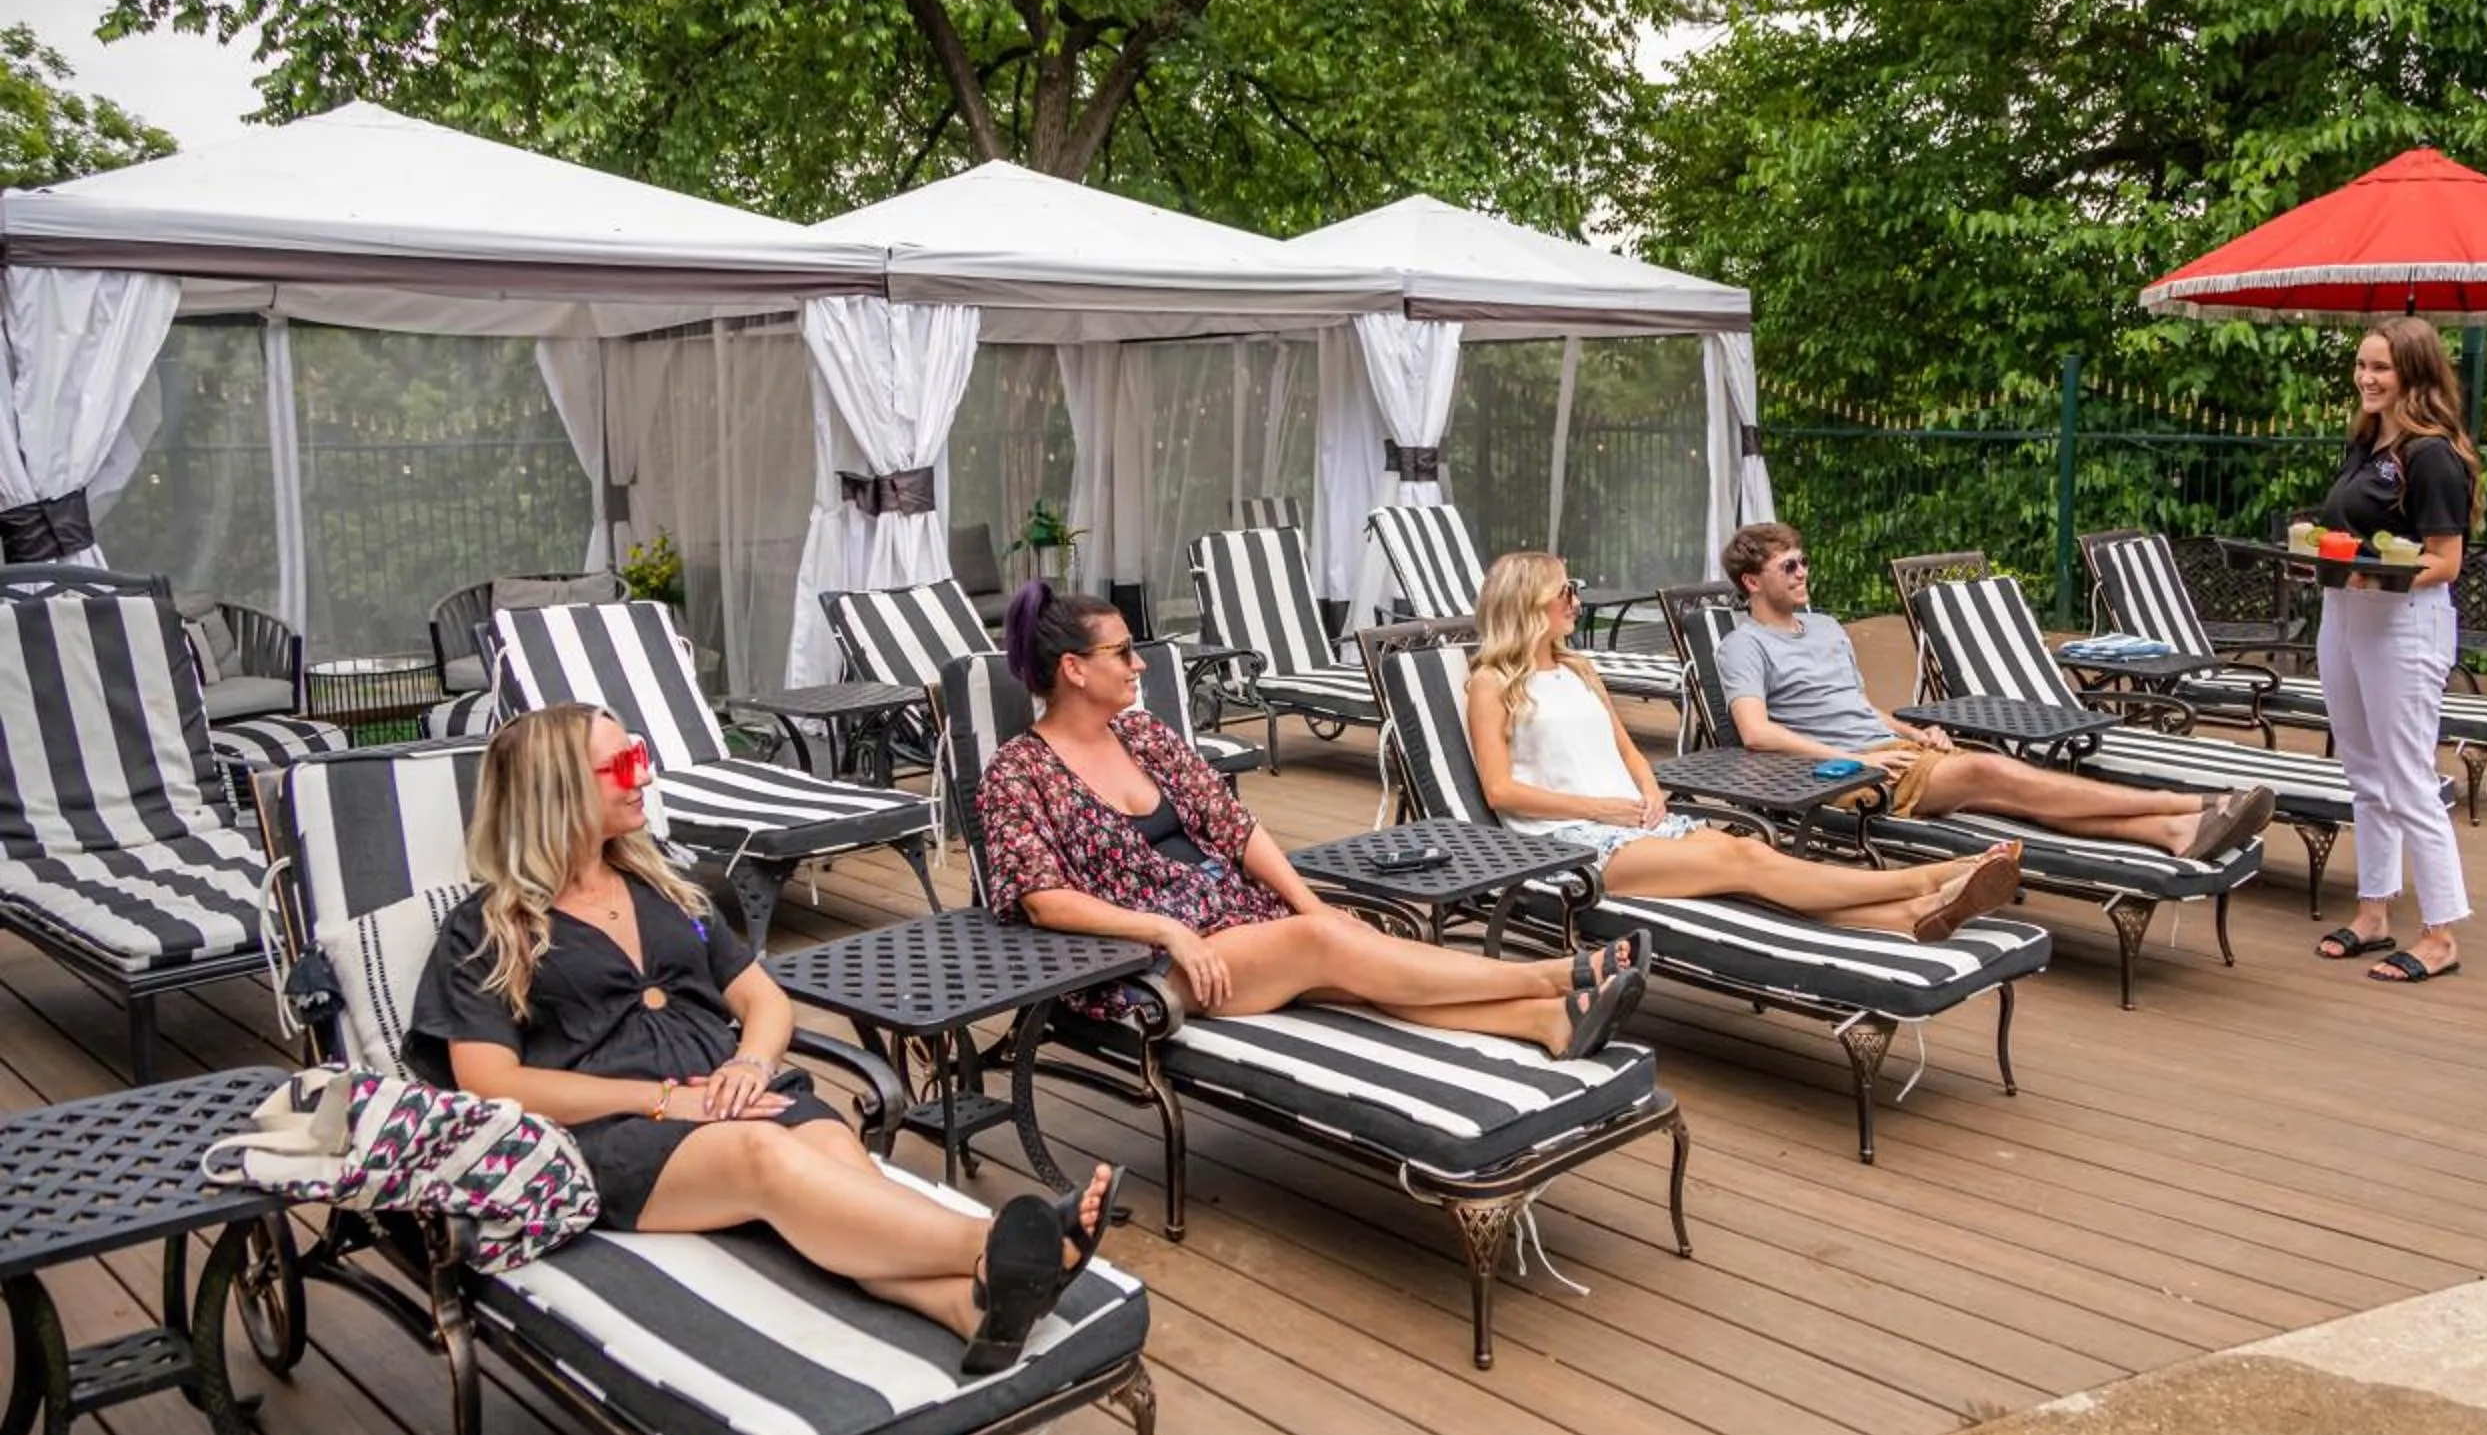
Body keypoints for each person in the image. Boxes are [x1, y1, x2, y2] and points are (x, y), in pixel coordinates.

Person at [407, 703, 1103, 1375]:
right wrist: (664, 1101)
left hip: (735, 1094)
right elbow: (491, 1082)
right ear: (557, 791)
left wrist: (750, 1061)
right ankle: (997, 1244)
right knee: (761, 1153)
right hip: (613, 1131)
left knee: (837, 1158)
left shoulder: (670, 892)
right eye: (623, 764)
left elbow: (760, 997)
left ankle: (967, 1306)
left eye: (639, 756)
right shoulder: (489, 931)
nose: (644, 776)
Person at [977, 582, 1646, 1056]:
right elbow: (1042, 898)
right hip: (1149, 960)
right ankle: (1557, 974)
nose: (1138, 663)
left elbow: (1234, 826)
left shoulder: (1143, 735)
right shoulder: (1018, 772)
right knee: (1327, 949)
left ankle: (1547, 1022)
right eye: (1122, 652)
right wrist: (1168, 931)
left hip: (1237, 918)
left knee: (1360, 967)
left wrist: (1309, 903)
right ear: (1073, 669)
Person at [1467, 551, 2026, 938]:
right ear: (1528, 603)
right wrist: (1605, 808)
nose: (1577, 599)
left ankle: (1914, 914)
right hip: (1570, 848)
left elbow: (1629, 750)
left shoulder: (1579, 669)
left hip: (1636, 822)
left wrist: (1650, 792)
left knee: (1749, 870)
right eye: (1566, 590)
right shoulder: (1491, 684)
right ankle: (1935, 877)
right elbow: (1500, 792)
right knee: (1744, 855)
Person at [1713, 521, 2276, 859]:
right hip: (1846, 777)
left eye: (1804, 561)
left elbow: (1859, 706)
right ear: (1752, 581)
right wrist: (1851, 760)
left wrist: (1918, 731)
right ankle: (2197, 801)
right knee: (1998, 772)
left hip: (1897, 754)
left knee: (2017, 795)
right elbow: (1756, 734)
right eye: (1789, 566)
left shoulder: (1828, 628)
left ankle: (2174, 832)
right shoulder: (1745, 646)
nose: (1802, 572)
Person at [2308, 314, 2475, 983]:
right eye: (2361, 364)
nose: (2366, 377)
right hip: (2343, 616)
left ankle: (2440, 932)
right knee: (2363, 775)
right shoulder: (2367, 441)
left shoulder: (2431, 454)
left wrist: (2370, 571)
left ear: (2413, 372)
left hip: (2402, 622)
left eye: (2381, 366)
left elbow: (2446, 560)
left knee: (2406, 778)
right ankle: (2373, 911)